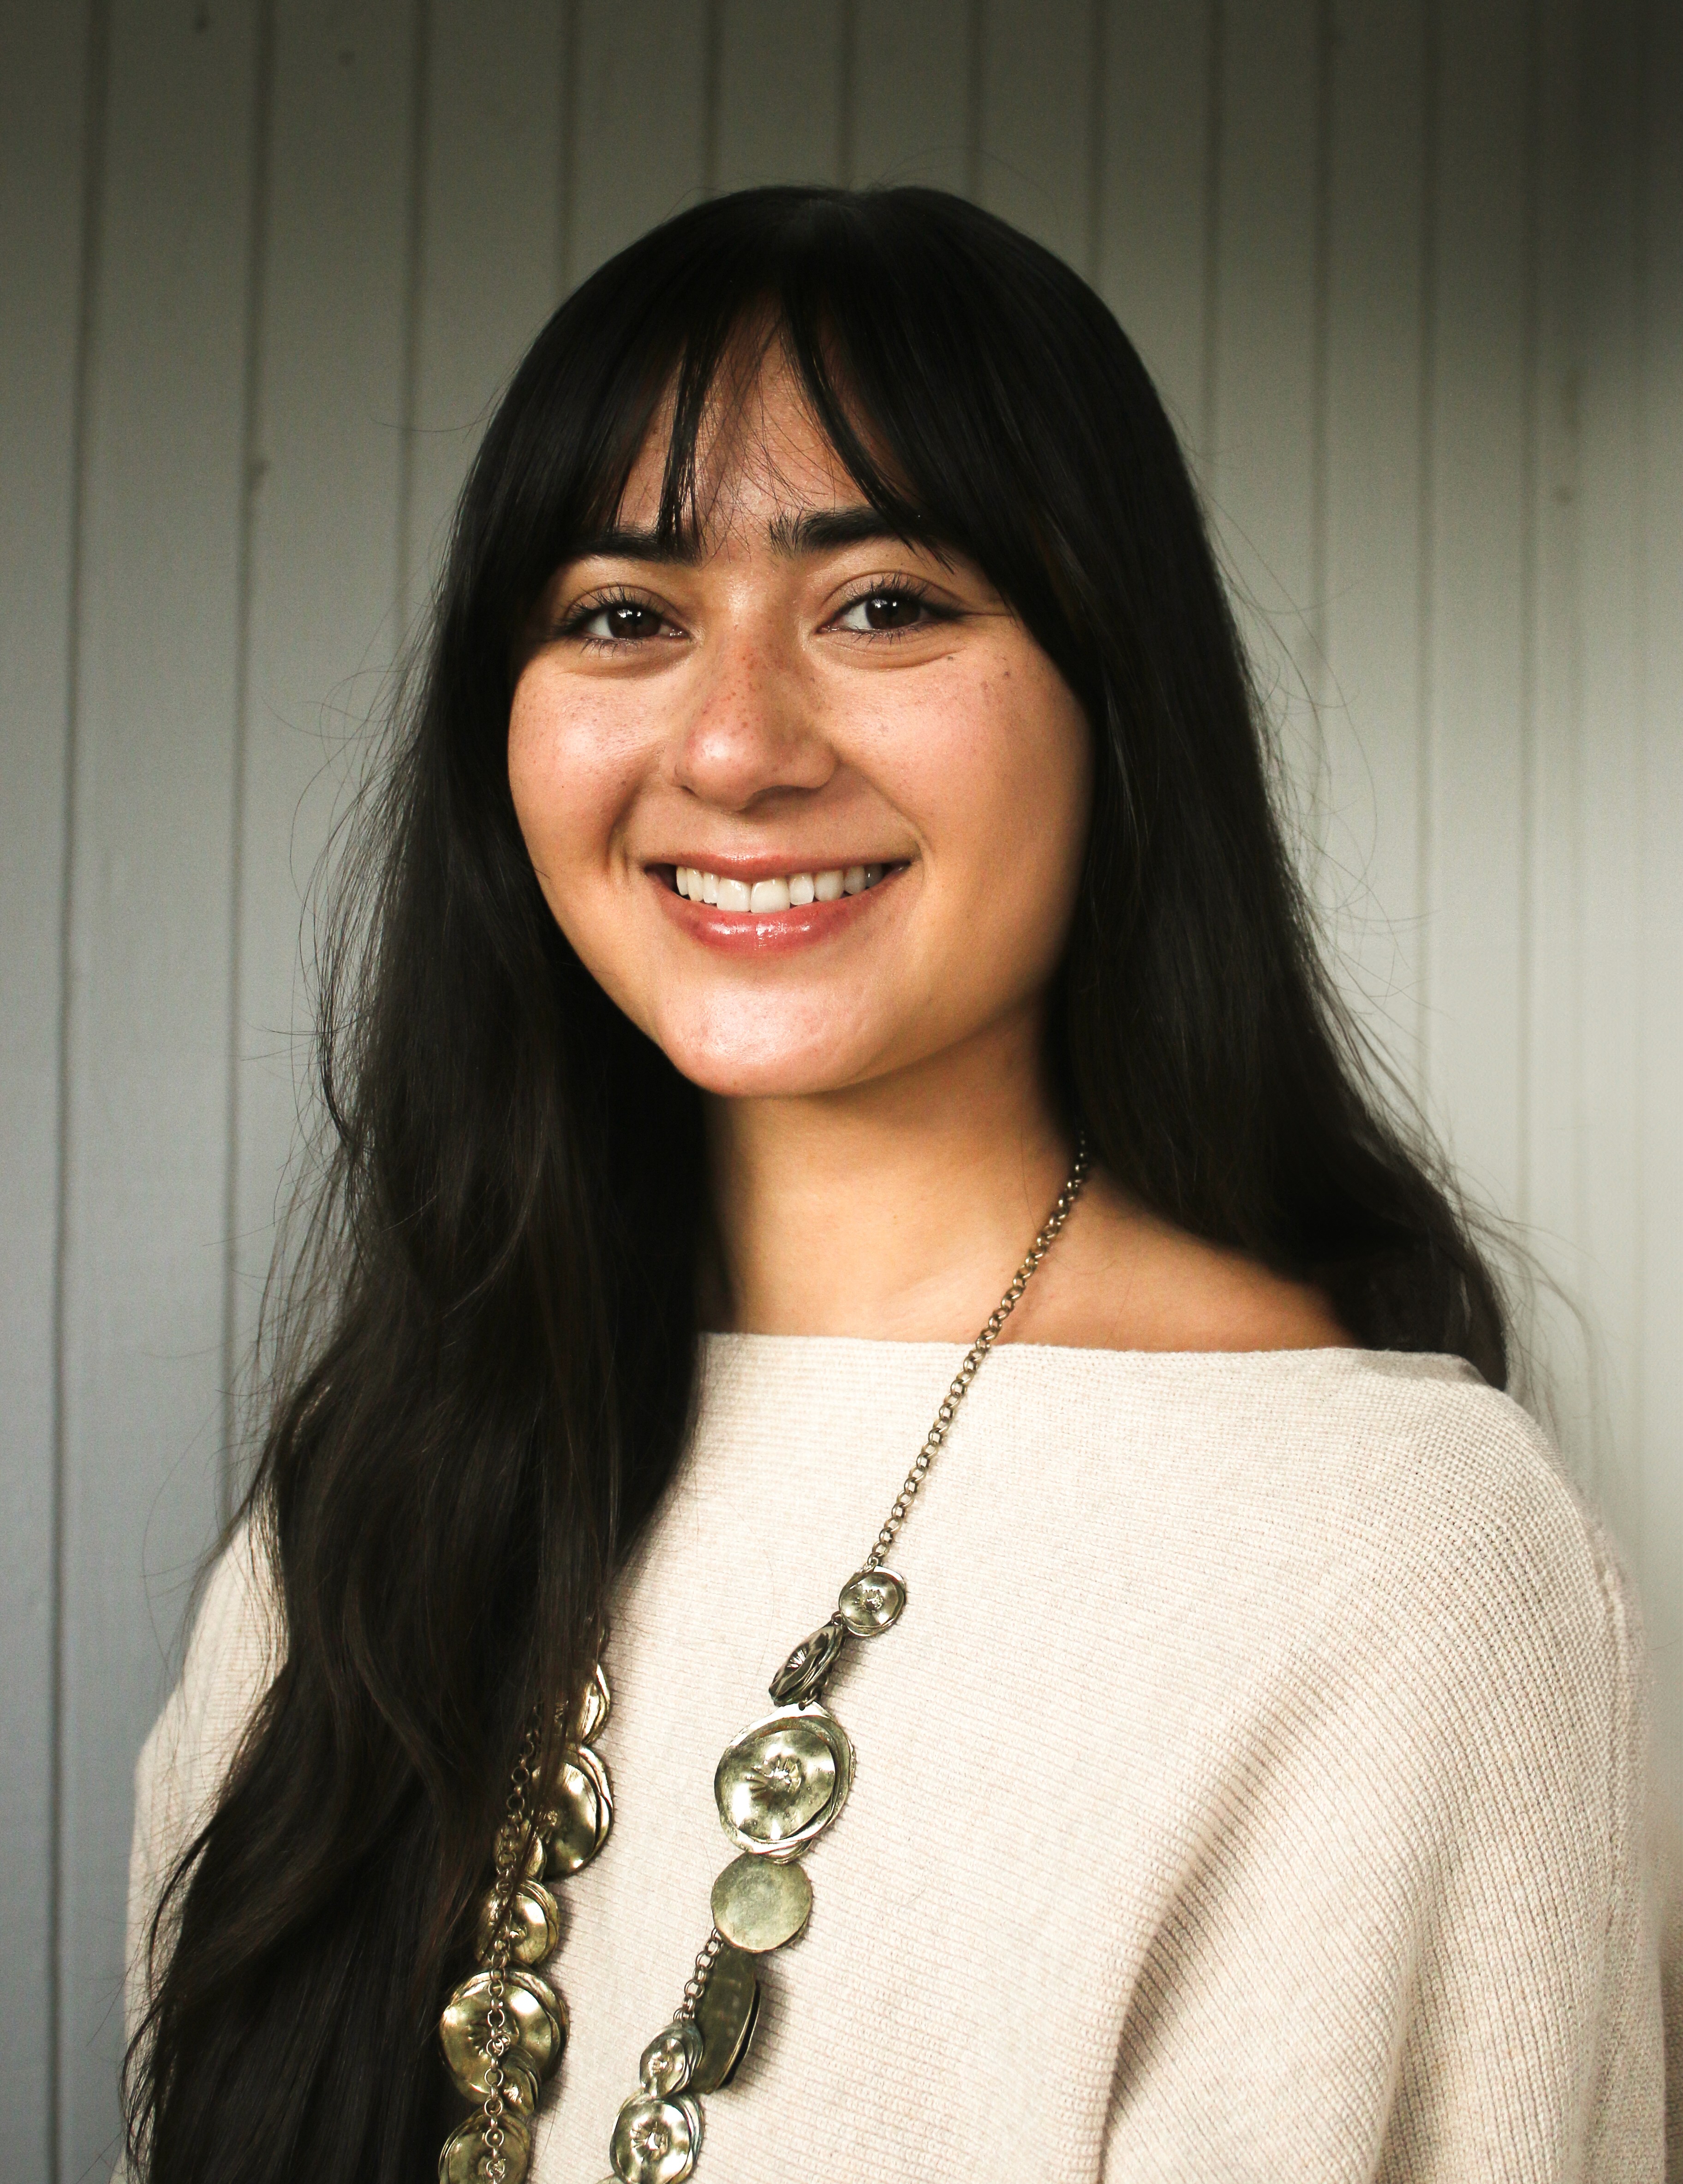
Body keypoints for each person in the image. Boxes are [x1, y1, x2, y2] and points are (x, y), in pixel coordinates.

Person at [120, 186, 1663, 2184]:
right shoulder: (372, 1495)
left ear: (1121, 699)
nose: (740, 742)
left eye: (884, 605)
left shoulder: (1401, 1564)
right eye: (621, 614)